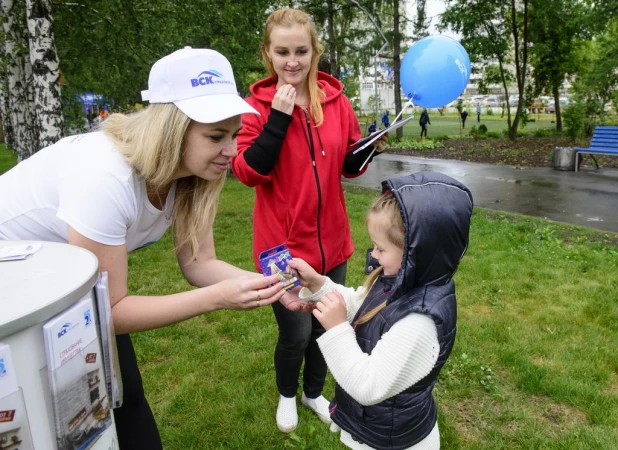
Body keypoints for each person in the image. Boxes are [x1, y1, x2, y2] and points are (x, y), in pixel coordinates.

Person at [0, 47, 290, 450]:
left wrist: (278, 285)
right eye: (215, 136)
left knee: (124, 399)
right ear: (170, 128)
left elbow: (199, 263)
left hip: (67, 289)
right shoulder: (104, 174)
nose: (232, 150)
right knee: (42, 428)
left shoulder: (195, 174)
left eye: (235, 134)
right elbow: (112, 311)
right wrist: (217, 299)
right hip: (13, 293)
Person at [230, 8, 388, 434]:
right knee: (296, 333)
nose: (292, 61)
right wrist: (278, 119)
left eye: (301, 50)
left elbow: (348, 167)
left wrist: (368, 149)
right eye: (282, 52)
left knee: (329, 324)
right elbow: (247, 171)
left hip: (332, 242)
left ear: (314, 51)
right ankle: (287, 394)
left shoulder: (335, 101)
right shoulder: (256, 107)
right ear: (268, 53)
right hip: (281, 248)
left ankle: (313, 392)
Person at [290, 171, 473, 449]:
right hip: (374, 426)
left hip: (391, 441)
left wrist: (337, 329)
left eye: (380, 248)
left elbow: (367, 386)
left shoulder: (419, 321)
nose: (373, 255)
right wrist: (319, 285)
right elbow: (362, 307)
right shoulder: (398, 279)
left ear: (415, 252)